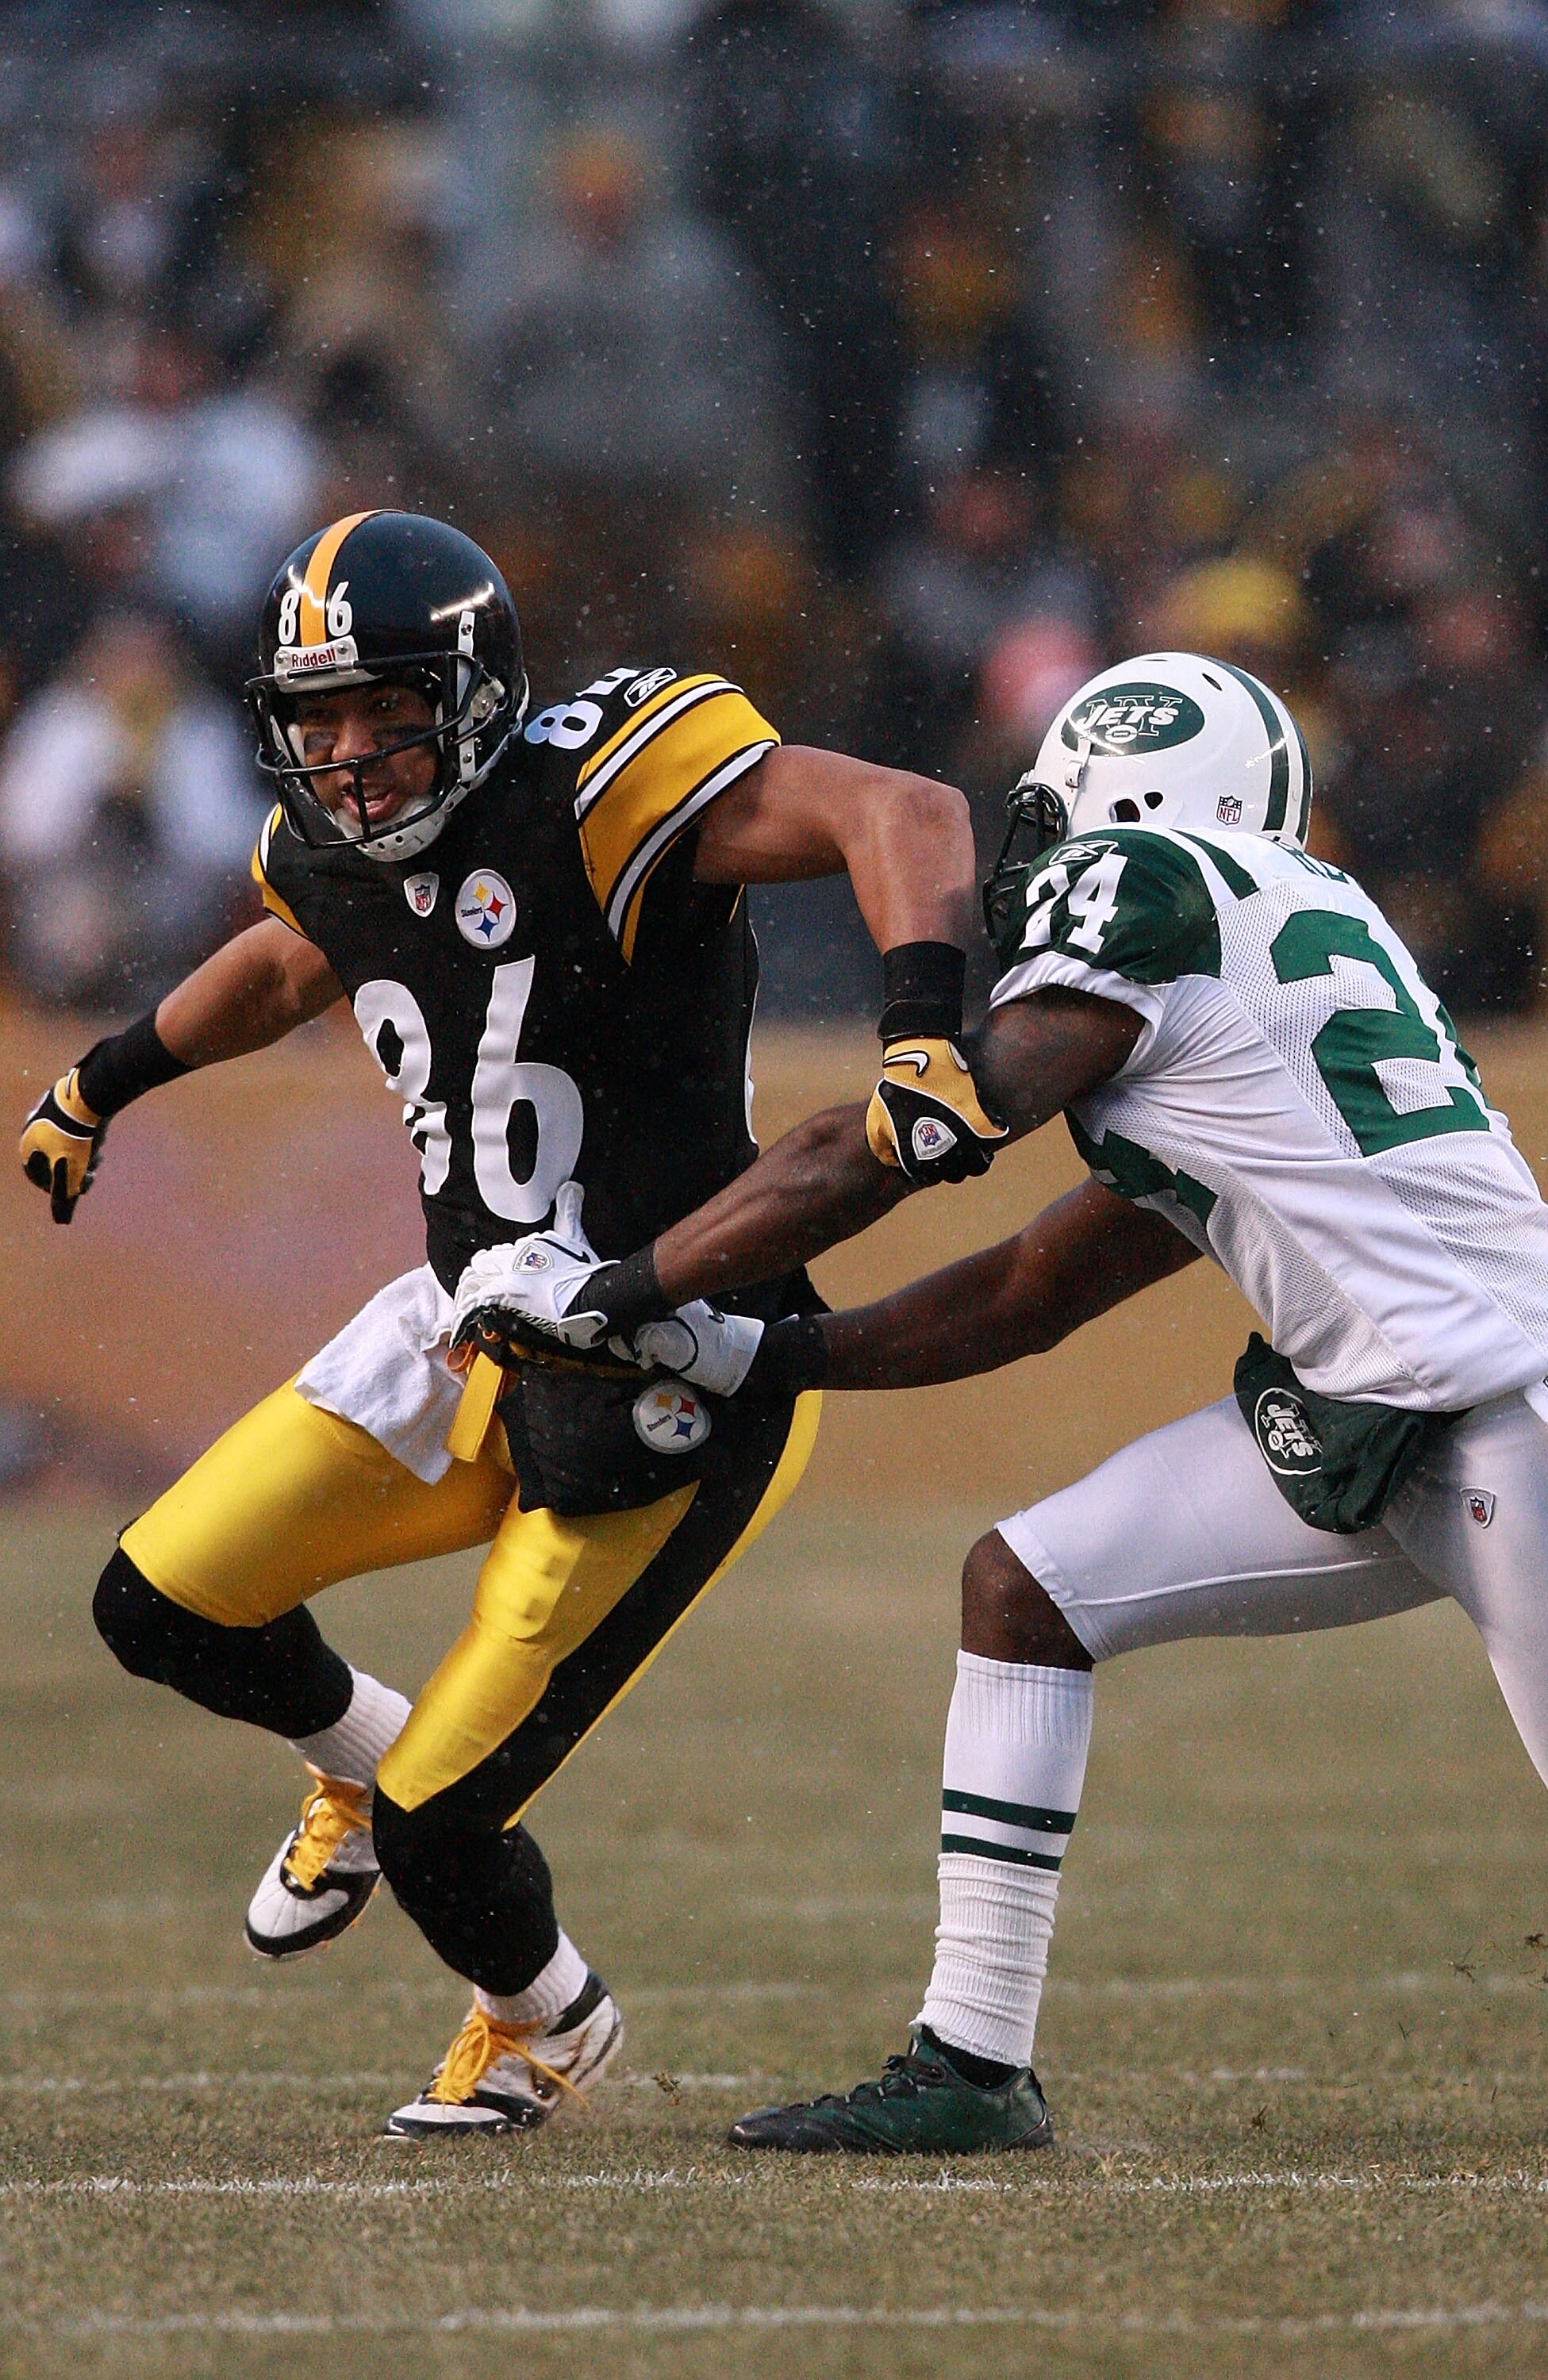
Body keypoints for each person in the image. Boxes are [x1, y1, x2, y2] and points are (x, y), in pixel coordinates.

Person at [475, 651, 1548, 2154]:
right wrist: (760, 1354)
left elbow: (906, 1134)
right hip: (1381, 1414)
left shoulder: (1149, 882)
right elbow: (1031, 1290)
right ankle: (972, 2065)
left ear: (1126, 796)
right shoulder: (1264, 947)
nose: (1036, 855)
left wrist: (624, 1288)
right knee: (1027, 1588)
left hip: (1517, 1419)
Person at [17, 509, 993, 2140]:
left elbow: (900, 807)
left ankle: (535, 2025)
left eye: (379, 707)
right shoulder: (336, 850)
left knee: (443, 1834)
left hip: (670, 1358)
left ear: (469, 691)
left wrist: (919, 1036)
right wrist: (102, 1077)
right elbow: (291, 964)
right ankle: (370, 1774)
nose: (345, 752)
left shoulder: (596, 794)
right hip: (469, 1326)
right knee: (161, 1604)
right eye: (312, 715)